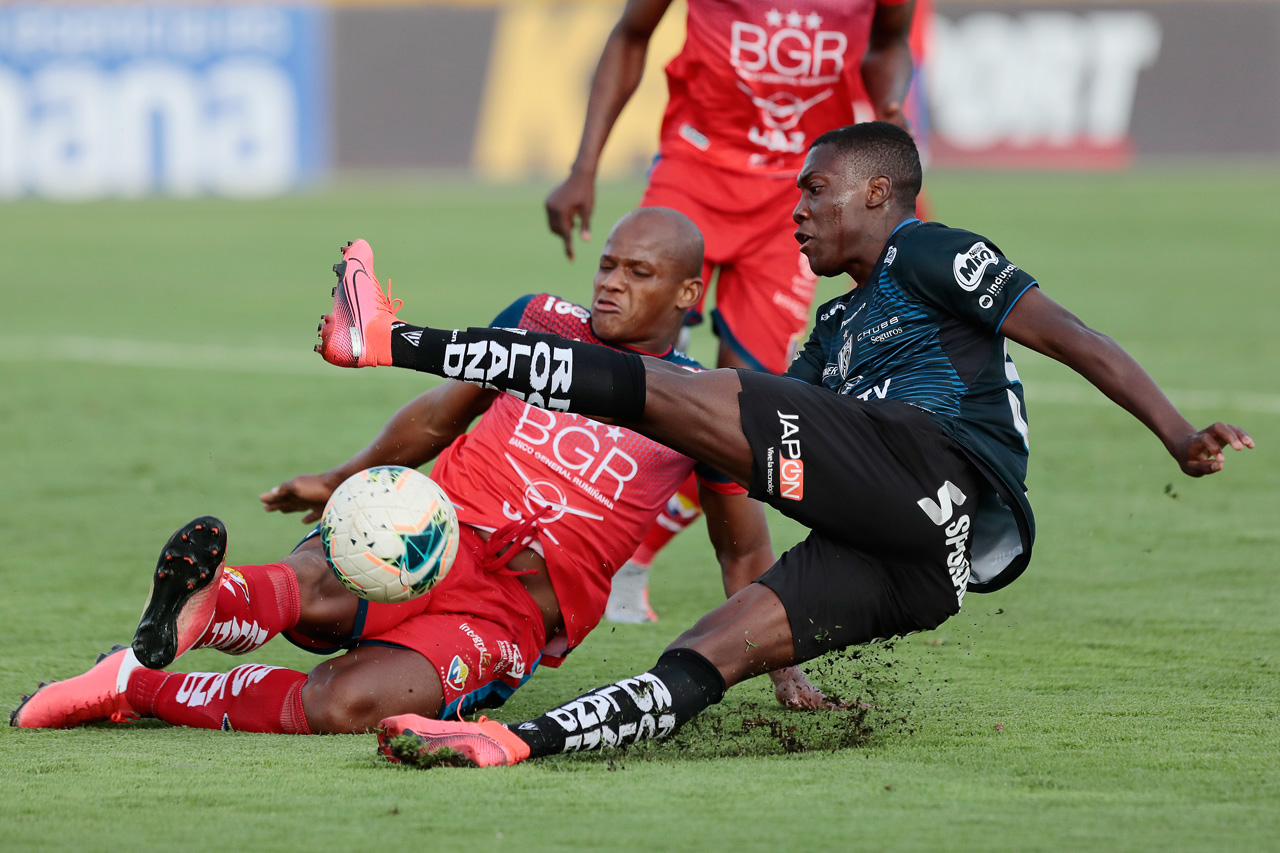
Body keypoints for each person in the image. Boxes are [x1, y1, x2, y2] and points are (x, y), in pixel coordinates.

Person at [310, 122, 1253, 767]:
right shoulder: (833, 337)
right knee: (706, 653)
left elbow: (1070, 334)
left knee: (668, 388)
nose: (795, 208)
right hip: (928, 565)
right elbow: (748, 445)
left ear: (880, 192)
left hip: (936, 469)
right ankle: (517, 744)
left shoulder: (927, 251)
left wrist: (1177, 434)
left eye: (816, 189)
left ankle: (386, 338)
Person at [10, 208, 835, 736]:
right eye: (608, 265)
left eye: (639, 274)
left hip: (510, 609)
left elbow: (741, 547)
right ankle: (205, 601)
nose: (612, 283)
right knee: (322, 580)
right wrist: (342, 479)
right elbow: (441, 415)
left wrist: (782, 665)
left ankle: (136, 681)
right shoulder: (542, 320)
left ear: (691, 291)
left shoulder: (706, 405)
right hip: (430, 527)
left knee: (345, 703)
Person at [546, 0, 919, 622]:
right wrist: (583, 167)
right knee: (627, 361)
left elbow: (889, 44)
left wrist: (890, 103)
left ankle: (635, 554)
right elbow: (632, 33)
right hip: (696, 169)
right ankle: (562, 537)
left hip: (800, 193)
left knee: (746, 408)